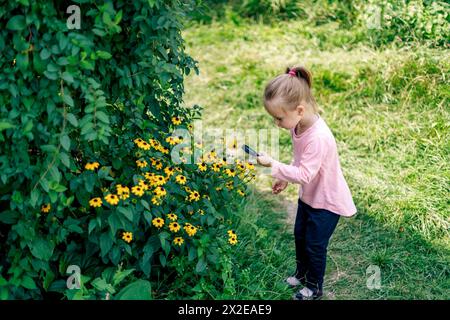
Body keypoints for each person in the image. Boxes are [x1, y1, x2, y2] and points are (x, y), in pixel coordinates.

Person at [256, 66, 357, 300]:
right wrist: (283, 177)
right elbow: (300, 160)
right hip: (309, 197)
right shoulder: (299, 126)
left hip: (327, 202)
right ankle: (301, 275)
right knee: (300, 237)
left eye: (279, 118)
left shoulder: (319, 137)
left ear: (299, 110)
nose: (277, 124)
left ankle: (314, 288)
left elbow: (304, 175)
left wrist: (273, 165)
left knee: (314, 245)